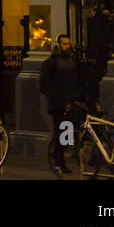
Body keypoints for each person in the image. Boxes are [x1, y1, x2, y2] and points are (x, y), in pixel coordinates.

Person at [39, 34, 80, 175]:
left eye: (68, 44)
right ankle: (59, 162)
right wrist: (59, 101)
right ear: (58, 44)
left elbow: (75, 81)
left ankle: (58, 157)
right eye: (64, 44)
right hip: (57, 105)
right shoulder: (51, 62)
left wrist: (73, 99)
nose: (67, 46)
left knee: (68, 135)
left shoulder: (72, 60)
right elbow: (44, 85)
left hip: (70, 103)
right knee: (60, 133)